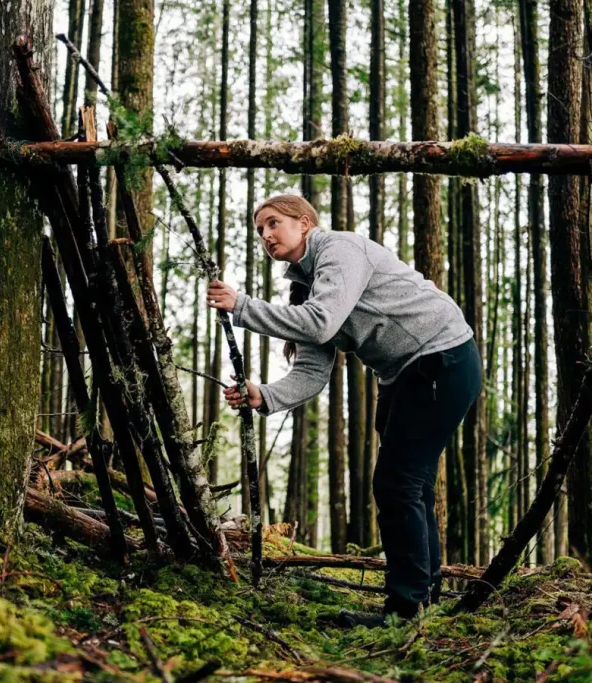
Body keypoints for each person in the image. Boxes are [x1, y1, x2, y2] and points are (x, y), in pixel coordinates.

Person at [206, 194, 481, 627]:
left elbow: (321, 322)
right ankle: (424, 598)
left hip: (441, 360)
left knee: (397, 484)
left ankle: (405, 610)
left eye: (274, 223)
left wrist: (242, 306)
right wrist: (266, 395)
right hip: (406, 375)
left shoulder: (340, 250)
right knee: (411, 486)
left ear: (305, 222)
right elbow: (314, 370)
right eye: (260, 230)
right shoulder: (307, 284)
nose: (266, 235)